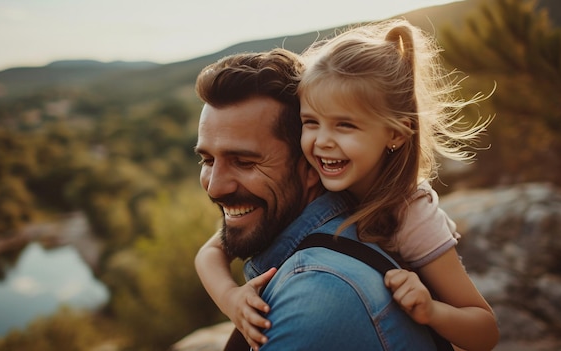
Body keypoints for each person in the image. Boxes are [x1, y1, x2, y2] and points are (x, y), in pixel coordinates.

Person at [196, 18, 500, 351]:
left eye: (344, 125)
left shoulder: (410, 212)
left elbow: (484, 329)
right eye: (311, 122)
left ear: (395, 134)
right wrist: (232, 299)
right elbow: (210, 252)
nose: (322, 142)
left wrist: (432, 311)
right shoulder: (321, 178)